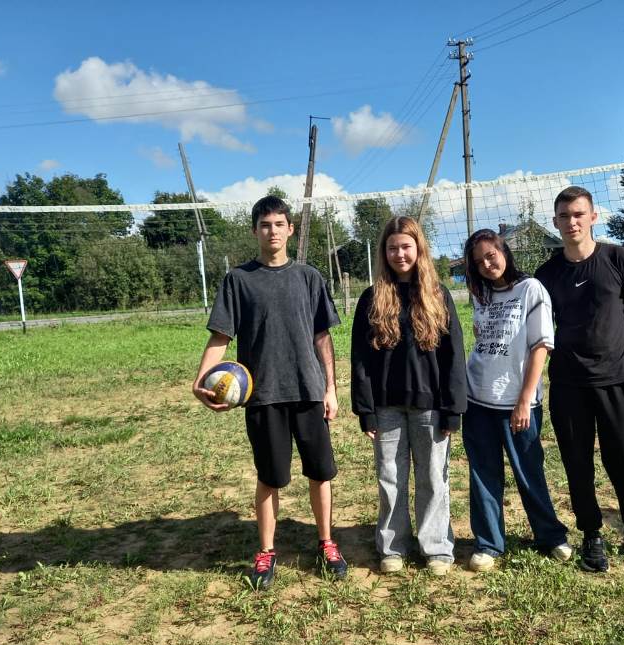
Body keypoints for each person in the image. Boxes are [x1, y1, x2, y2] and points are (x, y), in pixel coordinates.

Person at [193, 195, 347, 591]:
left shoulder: (309, 277)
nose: (272, 231)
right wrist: (201, 379)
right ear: (255, 231)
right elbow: (220, 337)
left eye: (279, 224)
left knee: (321, 472)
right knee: (270, 477)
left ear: (290, 229)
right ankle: (266, 551)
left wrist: (331, 388)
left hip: (309, 392)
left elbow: (322, 338)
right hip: (262, 396)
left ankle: (327, 543)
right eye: (265, 225)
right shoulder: (238, 280)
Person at [535, 185, 624, 573]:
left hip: (615, 381)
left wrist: (617, 357)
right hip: (568, 384)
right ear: (555, 222)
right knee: (577, 464)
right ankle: (592, 535)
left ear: (593, 217)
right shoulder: (547, 274)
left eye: (579, 214)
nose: (572, 222)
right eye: (564, 216)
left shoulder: (618, 258)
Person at [351, 216, 467, 576]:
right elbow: (360, 359)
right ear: (383, 253)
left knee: (433, 478)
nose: (399, 254)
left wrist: (453, 408)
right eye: (392, 248)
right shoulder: (371, 298)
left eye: (406, 246)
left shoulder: (438, 295)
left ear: (419, 249)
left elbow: (453, 356)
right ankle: (393, 547)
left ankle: (436, 548)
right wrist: (365, 409)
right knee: (390, 478)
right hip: (385, 406)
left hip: (430, 406)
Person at [462, 229, 571, 572]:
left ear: (503, 251)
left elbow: (541, 346)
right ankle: (488, 543)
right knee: (483, 473)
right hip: (477, 398)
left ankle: (551, 536)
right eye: (479, 261)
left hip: (517, 403)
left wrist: (525, 399)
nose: (487, 264)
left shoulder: (531, 289)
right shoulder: (479, 294)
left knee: (529, 472)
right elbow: (482, 337)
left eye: (490, 255)